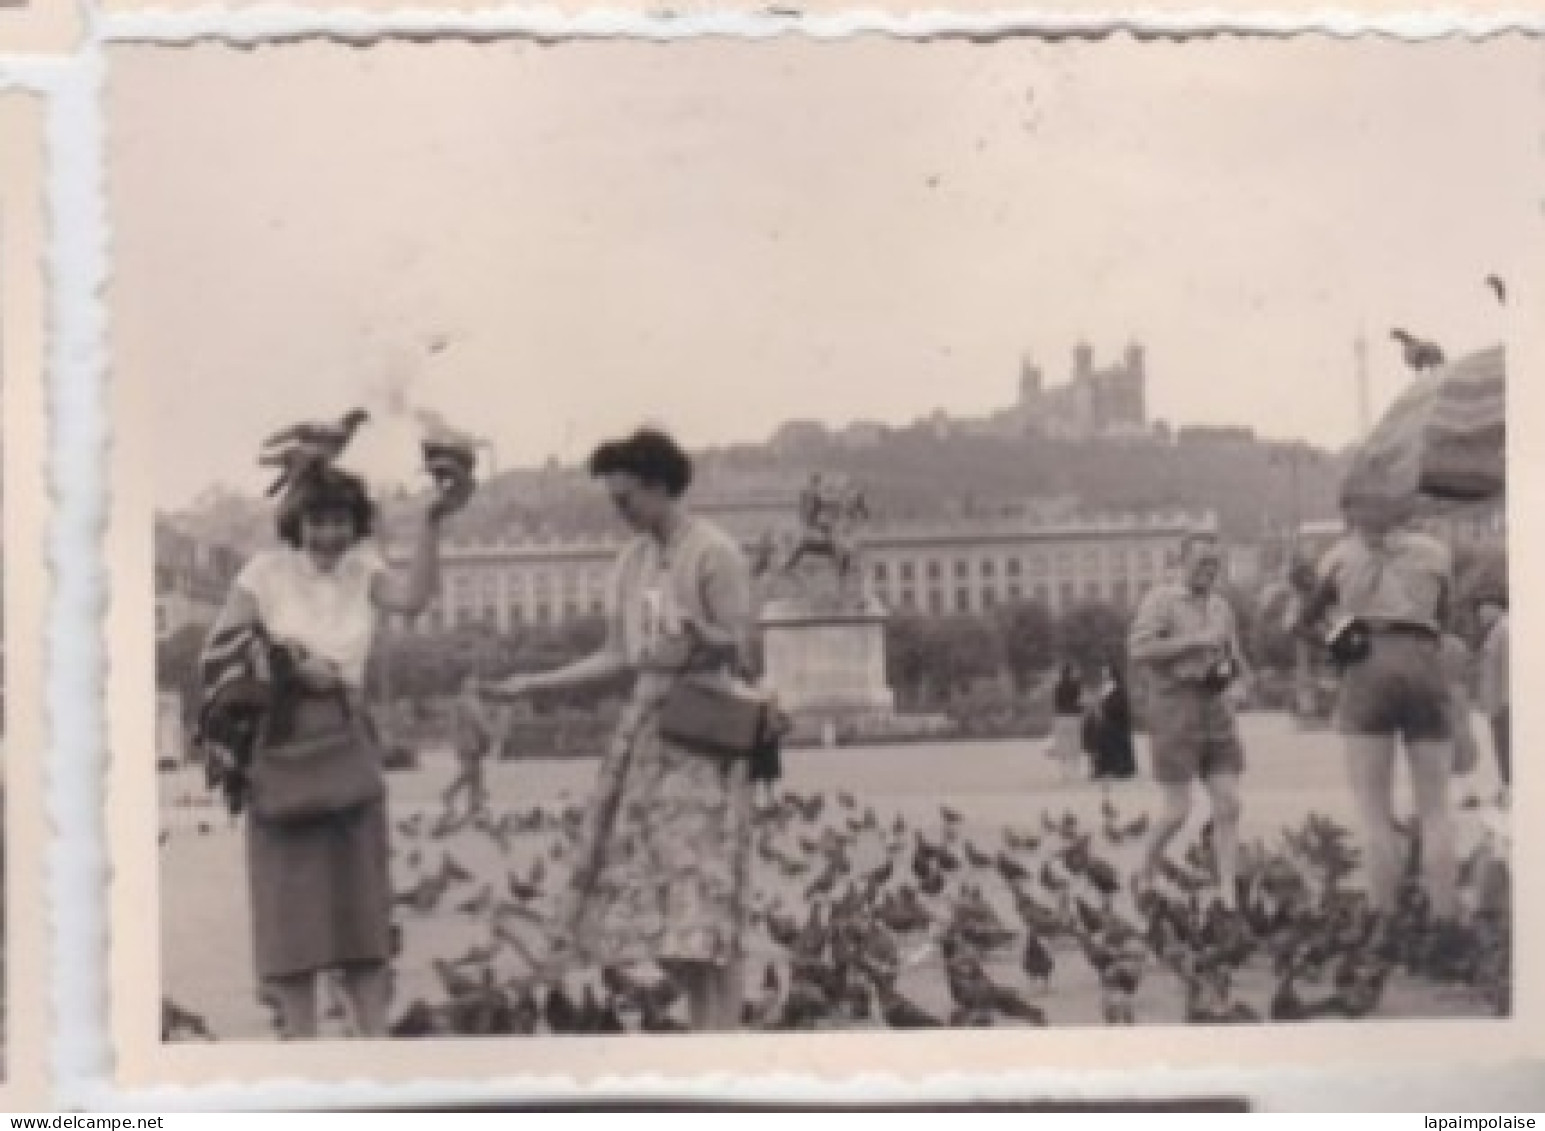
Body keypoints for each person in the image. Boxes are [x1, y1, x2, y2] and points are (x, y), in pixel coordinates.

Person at [478, 428, 760, 1031]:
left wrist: (699, 636)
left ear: (660, 487)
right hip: (647, 737)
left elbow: (745, 649)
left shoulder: (715, 553)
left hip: (704, 736)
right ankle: (710, 1031)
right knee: (658, 902)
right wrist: (537, 683)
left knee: (702, 901)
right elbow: (617, 655)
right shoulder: (630, 562)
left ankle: (724, 1039)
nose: (621, 514)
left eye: (626, 500)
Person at [205, 459, 471, 1039]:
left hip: (347, 739)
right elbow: (219, 650)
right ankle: (303, 1045)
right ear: (296, 522)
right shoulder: (264, 572)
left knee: (362, 907)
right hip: (280, 741)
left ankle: (370, 1045)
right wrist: (291, 665)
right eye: (318, 521)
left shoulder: (363, 570)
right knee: (290, 911)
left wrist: (430, 522)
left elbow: (415, 598)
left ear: (356, 526)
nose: (329, 535)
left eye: (341, 522)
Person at [1303, 484, 1457, 923]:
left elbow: (1304, 622)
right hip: (1425, 661)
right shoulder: (1436, 553)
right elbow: (1446, 618)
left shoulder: (1338, 556)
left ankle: (1384, 919)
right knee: (1435, 807)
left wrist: (1337, 645)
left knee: (1373, 809)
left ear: (1353, 513)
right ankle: (1446, 919)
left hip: (1367, 662)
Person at [1128, 530, 1252, 909]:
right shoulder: (1162, 600)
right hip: (1173, 705)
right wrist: (1194, 642)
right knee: (1178, 811)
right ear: (1182, 562)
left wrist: (1242, 681)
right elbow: (1139, 648)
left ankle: (1228, 894)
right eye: (1201, 563)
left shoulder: (1221, 606)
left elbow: (1234, 654)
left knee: (1229, 803)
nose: (1208, 571)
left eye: (1215, 564)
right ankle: (1143, 870)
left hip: (1214, 706)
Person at [1474, 581, 1510, 805]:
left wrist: (1501, 702)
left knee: (1506, 746)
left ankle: (1510, 790)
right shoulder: (1497, 631)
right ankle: (1507, 787)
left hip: (1504, 702)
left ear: (1498, 607)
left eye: (1485, 607)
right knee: (1502, 747)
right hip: (1499, 702)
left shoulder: (1504, 629)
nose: (1480, 613)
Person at [1088, 663, 1137, 783]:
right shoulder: (1105, 687)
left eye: (1106, 672)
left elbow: (1120, 705)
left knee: (1110, 736)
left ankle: (1120, 766)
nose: (1104, 675)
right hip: (1107, 720)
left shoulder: (1118, 687)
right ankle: (1103, 766)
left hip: (1117, 720)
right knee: (1097, 735)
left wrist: (1106, 708)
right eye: (1103, 673)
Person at [1049, 662, 1083, 781]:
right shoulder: (1076, 685)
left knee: (1062, 745)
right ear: (1071, 673)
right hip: (1074, 716)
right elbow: (1079, 700)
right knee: (1075, 744)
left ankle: (1063, 772)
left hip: (1061, 716)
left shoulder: (1057, 687)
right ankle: (1075, 771)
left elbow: (1056, 703)